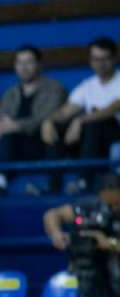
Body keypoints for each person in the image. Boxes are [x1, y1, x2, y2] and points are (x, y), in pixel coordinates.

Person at [0, 45, 66, 197]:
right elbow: (1, 118)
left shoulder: (55, 88)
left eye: (29, 62)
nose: (24, 67)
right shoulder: (11, 92)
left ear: (40, 65)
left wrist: (15, 126)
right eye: (20, 63)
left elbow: (46, 118)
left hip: (42, 145)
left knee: (7, 133)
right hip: (11, 150)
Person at [43, 172, 120, 297]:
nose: (112, 208)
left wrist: (110, 244)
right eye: (109, 204)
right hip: (95, 271)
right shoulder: (92, 207)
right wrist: (56, 234)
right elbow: (52, 215)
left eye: (117, 204)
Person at [43, 37, 120, 195]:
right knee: (57, 127)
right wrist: (48, 121)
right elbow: (66, 111)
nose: (100, 63)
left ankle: (84, 182)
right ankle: (53, 186)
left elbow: (113, 108)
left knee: (93, 123)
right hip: (93, 139)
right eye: (96, 59)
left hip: (115, 133)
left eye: (105, 58)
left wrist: (80, 120)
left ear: (114, 58)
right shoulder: (88, 85)